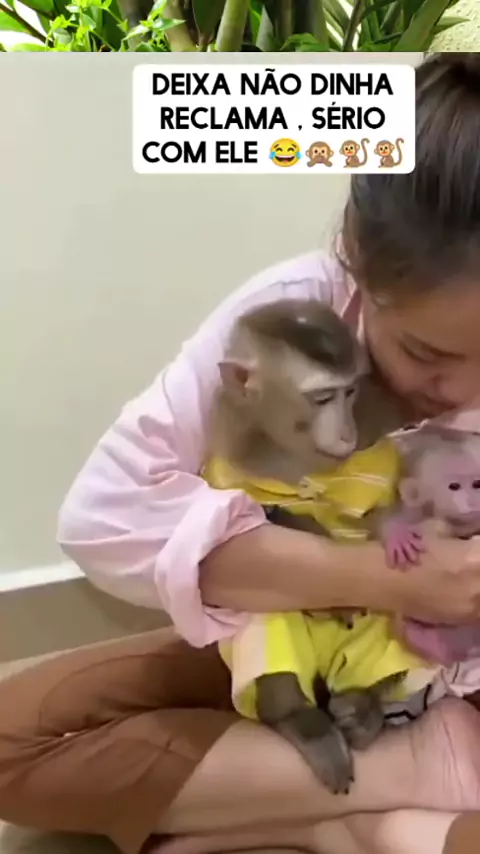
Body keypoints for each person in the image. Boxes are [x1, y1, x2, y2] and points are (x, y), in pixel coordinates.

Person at [2, 52, 480, 854]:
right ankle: (382, 803)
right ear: (357, 259)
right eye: (425, 352)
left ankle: (370, 811)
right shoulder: (293, 319)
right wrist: (386, 576)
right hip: (295, 638)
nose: (460, 389)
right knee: (16, 739)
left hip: (445, 674)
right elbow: (103, 518)